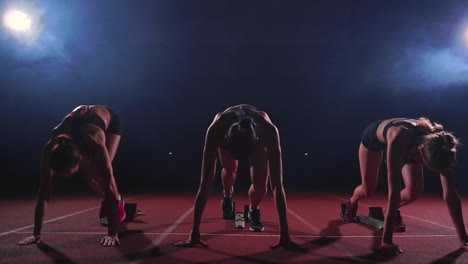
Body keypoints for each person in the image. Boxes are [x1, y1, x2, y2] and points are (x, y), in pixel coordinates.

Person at [173, 104, 298, 249]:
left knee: (260, 186)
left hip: (256, 142)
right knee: (230, 170)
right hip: (232, 140)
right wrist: (194, 234)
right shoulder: (217, 130)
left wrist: (285, 236)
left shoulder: (268, 130)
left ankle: (253, 209)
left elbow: (277, 186)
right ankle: (227, 196)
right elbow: (205, 183)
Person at [343, 117, 468, 254]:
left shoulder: (443, 146)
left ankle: (393, 211)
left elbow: (450, 194)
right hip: (373, 139)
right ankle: (352, 202)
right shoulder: (399, 139)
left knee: (413, 192)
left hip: (412, 144)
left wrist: (464, 239)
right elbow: (394, 193)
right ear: (420, 151)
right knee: (368, 189)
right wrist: (387, 241)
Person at [18, 105, 125, 247]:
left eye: (69, 173)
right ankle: (108, 202)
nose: (67, 179)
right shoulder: (50, 149)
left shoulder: (95, 141)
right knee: (90, 177)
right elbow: (44, 193)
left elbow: (108, 184)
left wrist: (112, 233)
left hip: (108, 121)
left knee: (99, 174)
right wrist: (36, 234)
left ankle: (118, 202)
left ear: (80, 158)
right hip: (80, 125)